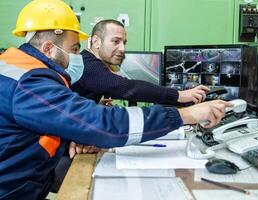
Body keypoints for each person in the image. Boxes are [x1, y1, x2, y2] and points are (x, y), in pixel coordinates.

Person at [0, 0, 231, 199]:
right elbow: (107, 120)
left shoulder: (18, 66)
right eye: (74, 49)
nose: (77, 56)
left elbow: (39, 122)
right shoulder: (30, 82)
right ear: (49, 48)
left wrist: (77, 132)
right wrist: (187, 114)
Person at [71, 19, 209, 105]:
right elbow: (127, 88)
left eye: (124, 43)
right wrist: (179, 95)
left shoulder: (89, 62)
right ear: (96, 41)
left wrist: (95, 105)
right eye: (116, 41)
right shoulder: (87, 65)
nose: (122, 49)